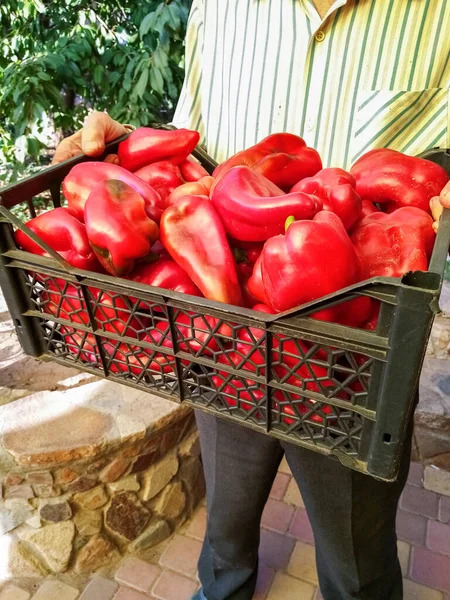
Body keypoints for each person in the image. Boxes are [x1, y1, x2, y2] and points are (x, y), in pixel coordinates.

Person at [54, 1, 450, 598]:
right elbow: (193, 154)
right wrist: (124, 148)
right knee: (226, 522)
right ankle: (224, 589)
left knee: (356, 557)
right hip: (228, 321)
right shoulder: (218, 7)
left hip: (358, 342)